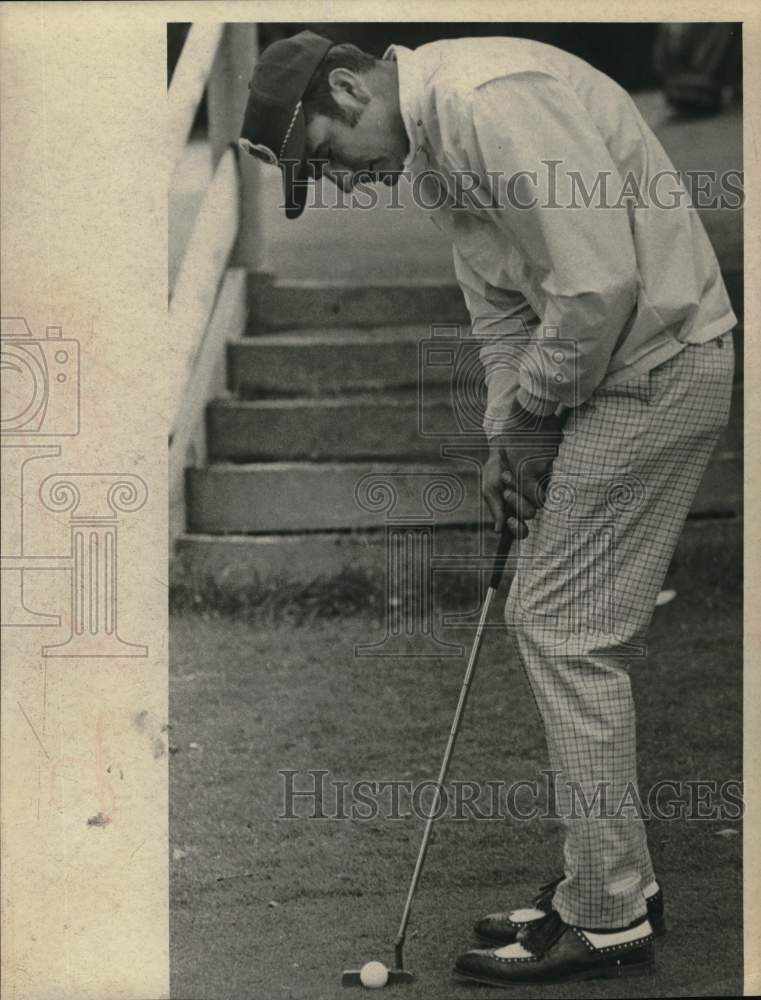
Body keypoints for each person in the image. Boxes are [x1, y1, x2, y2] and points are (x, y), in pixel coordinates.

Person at [239, 30, 736, 986]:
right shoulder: (434, 151)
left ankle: (609, 913)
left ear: (348, 90)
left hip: (659, 369)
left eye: (327, 161)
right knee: (558, 621)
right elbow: (505, 314)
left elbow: (598, 284)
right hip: (615, 374)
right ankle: (609, 879)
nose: (342, 186)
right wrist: (506, 433)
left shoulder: (486, 100)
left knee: (560, 626)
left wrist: (537, 418)